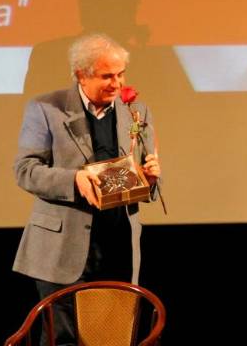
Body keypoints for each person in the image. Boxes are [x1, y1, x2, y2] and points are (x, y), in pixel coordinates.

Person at [12, 33, 161, 345]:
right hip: (62, 248)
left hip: (118, 244)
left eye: (120, 74)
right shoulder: (46, 108)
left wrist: (150, 180)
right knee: (62, 339)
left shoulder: (137, 111)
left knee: (115, 338)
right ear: (81, 74)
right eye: (107, 76)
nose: (117, 83)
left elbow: (141, 173)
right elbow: (25, 170)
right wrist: (73, 179)